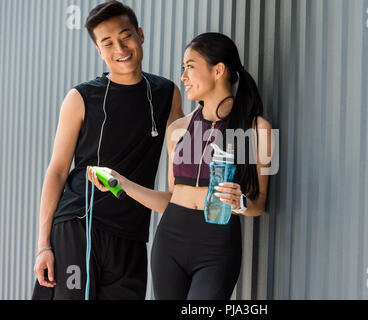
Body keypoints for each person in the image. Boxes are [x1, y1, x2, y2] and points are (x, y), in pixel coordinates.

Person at [87, 32, 273, 300]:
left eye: (190, 67)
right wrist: (121, 182)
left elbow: (260, 204)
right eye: (182, 69)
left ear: (218, 70)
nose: (183, 77)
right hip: (169, 244)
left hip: (217, 247)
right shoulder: (177, 130)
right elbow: (170, 199)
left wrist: (241, 203)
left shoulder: (259, 131)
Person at [32, 0, 184, 300]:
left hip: (131, 234)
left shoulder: (167, 93)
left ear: (140, 34)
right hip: (80, 224)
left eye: (126, 35)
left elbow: (181, 157)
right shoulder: (80, 97)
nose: (120, 48)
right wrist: (43, 245)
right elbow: (58, 170)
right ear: (99, 51)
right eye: (108, 42)